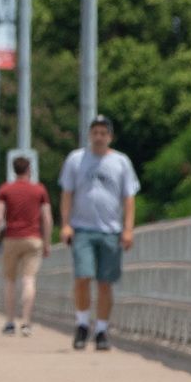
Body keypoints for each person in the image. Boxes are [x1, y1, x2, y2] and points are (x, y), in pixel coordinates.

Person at [59, 115, 141, 352]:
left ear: (110, 136)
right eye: (95, 132)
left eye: (103, 132)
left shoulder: (121, 162)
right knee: (83, 277)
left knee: (105, 283)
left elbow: (129, 198)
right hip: (82, 228)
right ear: (89, 135)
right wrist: (65, 224)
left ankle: (102, 330)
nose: (99, 137)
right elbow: (67, 194)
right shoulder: (76, 160)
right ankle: (83, 324)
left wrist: (128, 229)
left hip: (110, 230)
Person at [0, 156, 52, 336]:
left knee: (10, 281)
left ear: (14, 170)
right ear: (29, 170)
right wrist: (47, 242)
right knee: (29, 280)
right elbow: (47, 218)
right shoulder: (39, 190)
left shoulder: (5, 189)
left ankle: (10, 322)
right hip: (33, 239)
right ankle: (26, 322)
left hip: (11, 238)